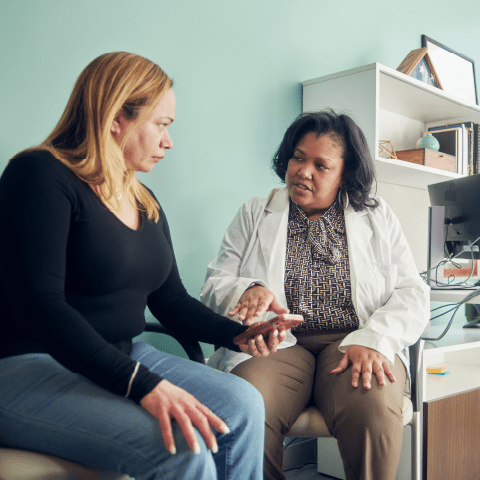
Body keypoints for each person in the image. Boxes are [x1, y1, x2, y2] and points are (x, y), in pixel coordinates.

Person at [0, 52, 287, 480]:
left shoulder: (143, 200)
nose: (168, 141)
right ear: (118, 117)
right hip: (28, 365)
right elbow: (40, 306)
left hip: (122, 352)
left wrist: (239, 334)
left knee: (242, 404)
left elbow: (170, 299)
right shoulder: (39, 174)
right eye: (162, 125)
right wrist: (140, 383)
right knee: (183, 450)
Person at [200, 110, 430, 480]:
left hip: (353, 341)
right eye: (298, 157)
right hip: (278, 343)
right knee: (246, 404)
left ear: (346, 173)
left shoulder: (376, 216)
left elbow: (411, 292)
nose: (303, 171)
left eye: (321, 165)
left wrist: (375, 340)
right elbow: (214, 283)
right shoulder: (255, 213)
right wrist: (248, 289)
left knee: (372, 405)